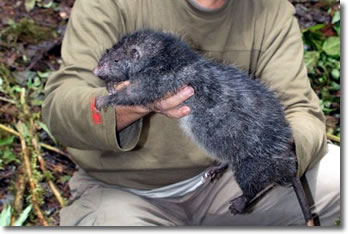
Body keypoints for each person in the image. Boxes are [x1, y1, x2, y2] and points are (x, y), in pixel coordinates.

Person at [42, 0, 340, 226]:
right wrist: (138, 101)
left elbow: (300, 110)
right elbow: (60, 109)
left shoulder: (269, 10)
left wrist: (272, 155)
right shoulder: (111, 4)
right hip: (124, 193)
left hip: (223, 177)